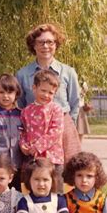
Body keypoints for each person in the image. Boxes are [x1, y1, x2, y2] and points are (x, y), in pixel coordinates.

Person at [16, 23, 81, 163]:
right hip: (34, 131)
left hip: (62, 129)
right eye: (41, 42)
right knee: (36, 174)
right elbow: (21, 104)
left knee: (65, 175)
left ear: (56, 44)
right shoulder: (22, 74)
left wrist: (69, 126)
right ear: (33, 45)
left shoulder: (68, 72)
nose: (45, 46)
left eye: (50, 42)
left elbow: (75, 103)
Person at [19, 69, 65, 192]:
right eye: (43, 90)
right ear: (34, 88)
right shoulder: (26, 111)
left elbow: (55, 132)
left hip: (53, 158)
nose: (46, 95)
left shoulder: (56, 110)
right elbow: (22, 130)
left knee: (55, 189)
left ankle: (58, 210)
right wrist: (23, 144)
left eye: (50, 93)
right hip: (33, 159)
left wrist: (38, 146)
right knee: (33, 189)